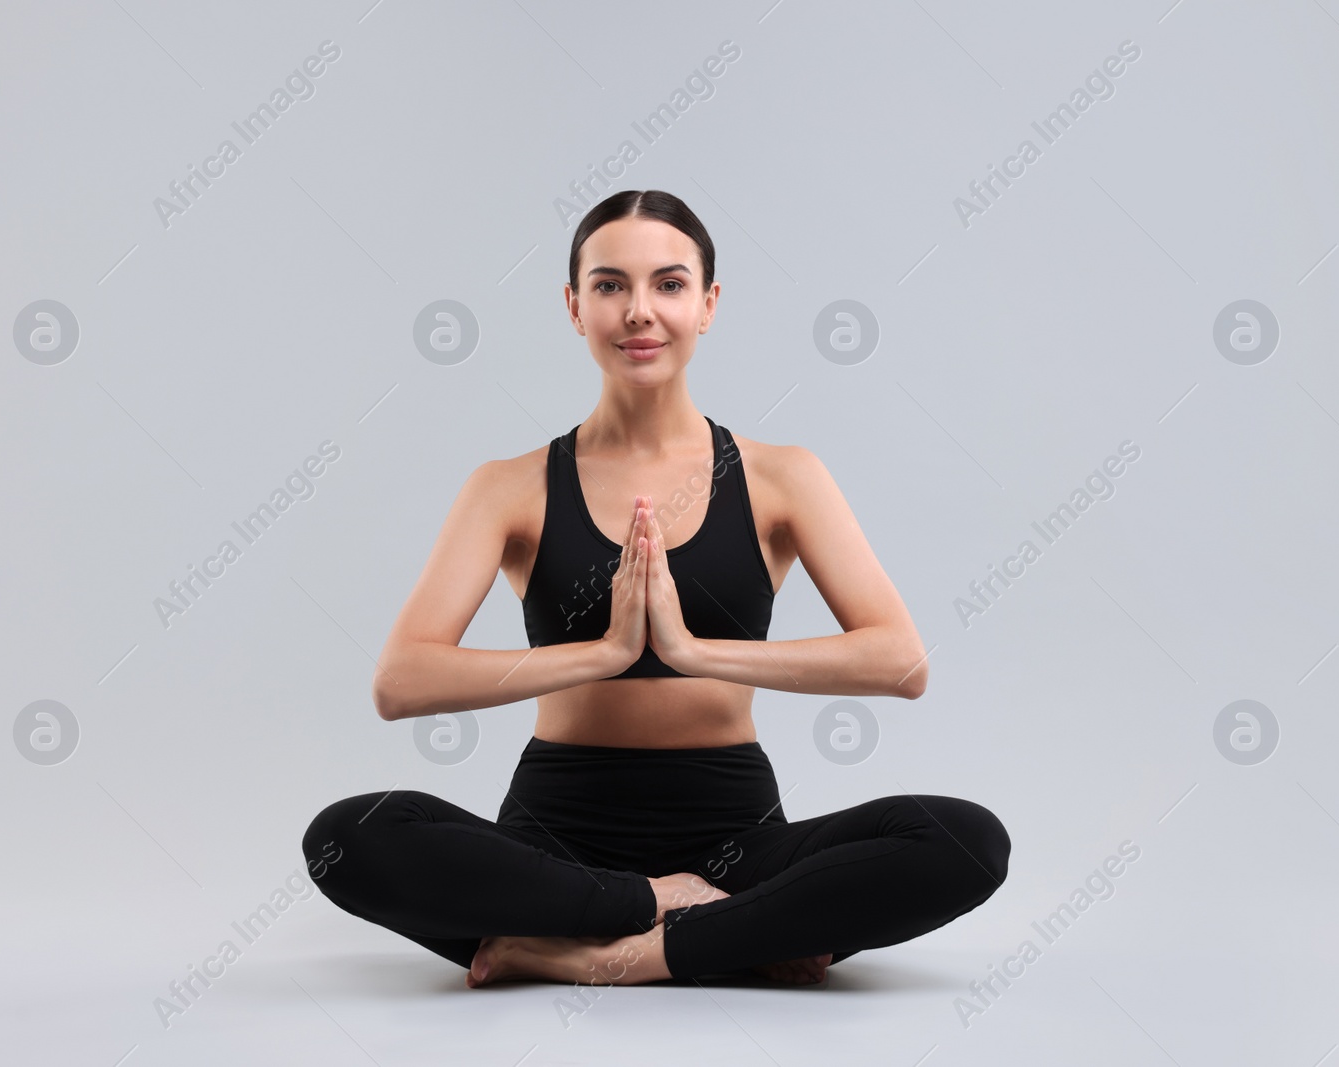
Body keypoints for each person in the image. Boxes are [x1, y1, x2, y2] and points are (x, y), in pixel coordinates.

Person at [302, 189, 1009, 989]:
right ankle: (693, 922)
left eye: (669, 285)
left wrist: (688, 649)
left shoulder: (784, 477)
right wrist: (602, 652)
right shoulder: (509, 487)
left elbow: (900, 661)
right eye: (609, 286)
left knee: (965, 840)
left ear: (708, 304)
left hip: (737, 845)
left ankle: (601, 949)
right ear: (574, 307)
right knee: (349, 834)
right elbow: (400, 682)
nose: (640, 311)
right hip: (554, 842)